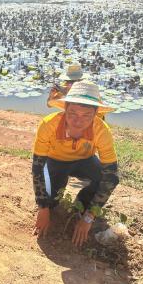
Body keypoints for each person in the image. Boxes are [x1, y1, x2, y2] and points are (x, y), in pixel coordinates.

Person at [32, 81, 119, 246]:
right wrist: (43, 208)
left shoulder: (101, 130)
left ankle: (82, 205)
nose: (78, 121)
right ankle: (51, 204)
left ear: (96, 114)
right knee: (51, 203)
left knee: (102, 178)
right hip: (56, 161)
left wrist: (89, 217)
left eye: (86, 115)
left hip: (84, 160)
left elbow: (112, 176)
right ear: (65, 109)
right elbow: (38, 168)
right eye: (72, 113)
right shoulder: (48, 125)